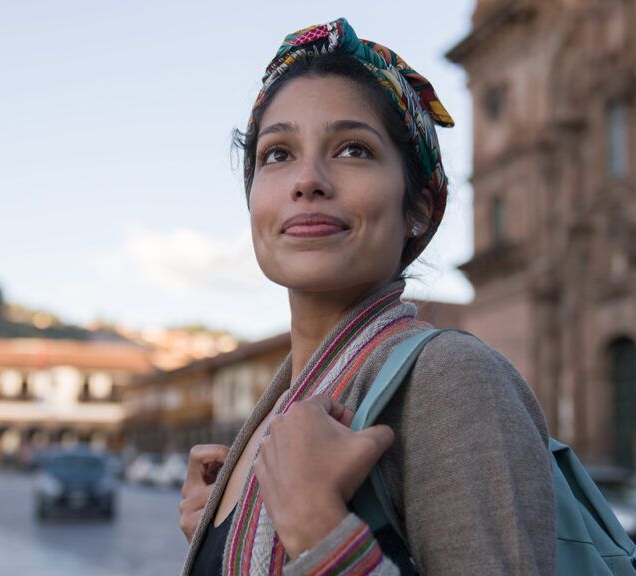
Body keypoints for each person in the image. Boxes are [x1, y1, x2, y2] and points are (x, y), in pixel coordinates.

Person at [177, 18, 555, 576]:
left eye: (353, 149)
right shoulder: (268, 424)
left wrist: (317, 529)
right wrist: (219, 532)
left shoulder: (450, 380)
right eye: (277, 154)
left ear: (422, 204)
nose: (307, 180)